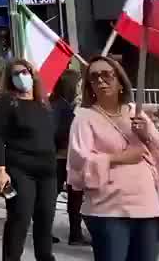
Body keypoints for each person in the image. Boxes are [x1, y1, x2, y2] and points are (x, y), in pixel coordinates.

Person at [68, 55, 159, 261]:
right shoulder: (84, 118)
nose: (100, 81)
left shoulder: (136, 113)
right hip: (108, 210)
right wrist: (119, 158)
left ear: (120, 81)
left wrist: (147, 136)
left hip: (146, 206)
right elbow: (78, 166)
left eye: (107, 75)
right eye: (94, 77)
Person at [0, 59, 57, 261]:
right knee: (19, 218)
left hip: (47, 172)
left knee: (45, 221)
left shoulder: (43, 103)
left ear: (32, 73)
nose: (21, 76)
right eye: (16, 73)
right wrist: (0, 169)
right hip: (20, 170)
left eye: (25, 71)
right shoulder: (7, 103)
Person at [52, 70, 87, 246]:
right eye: (78, 85)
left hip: (64, 159)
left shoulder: (60, 105)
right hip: (62, 158)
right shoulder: (61, 107)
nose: (80, 89)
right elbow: (60, 132)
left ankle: (75, 233)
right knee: (71, 197)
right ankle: (74, 234)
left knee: (70, 196)